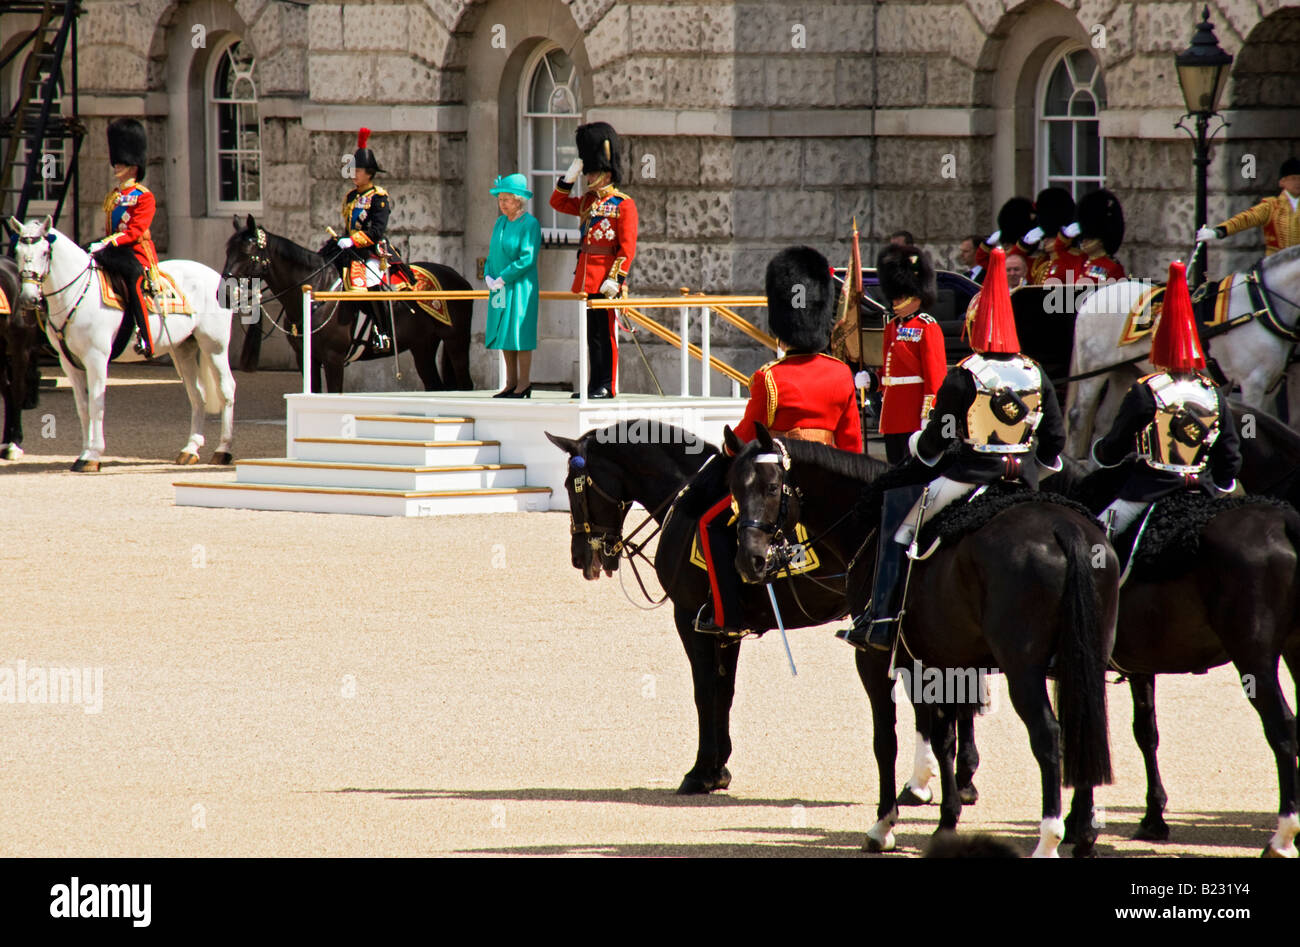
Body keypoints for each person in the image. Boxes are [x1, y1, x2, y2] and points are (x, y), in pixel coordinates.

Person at [840, 247, 1065, 651]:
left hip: (971, 477)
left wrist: (921, 448)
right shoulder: (1035, 371)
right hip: (1025, 480)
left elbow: (938, 438)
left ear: (975, 326)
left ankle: (883, 619)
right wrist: (1039, 468)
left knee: (901, 526)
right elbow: (1055, 442)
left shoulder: (967, 374)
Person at [694, 245, 862, 635]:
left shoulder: (769, 377)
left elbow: (746, 437)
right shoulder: (841, 374)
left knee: (708, 524)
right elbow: (852, 444)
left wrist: (727, 449)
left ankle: (727, 616)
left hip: (780, 479)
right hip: (829, 478)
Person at [1091, 259, 1241, 539]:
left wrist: (1103, 453)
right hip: (1203, 490)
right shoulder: (1213, 391)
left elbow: (1115, 447)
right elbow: (1230, 455)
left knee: (1095, 540)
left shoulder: (1146, 389)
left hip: (1149, 488)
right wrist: (1219, 485)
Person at [550, 122, 638, 399]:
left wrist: (616, 279)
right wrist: (569, 175)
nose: (588, 177)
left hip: (606, 281)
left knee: (606, 337)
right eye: (587, 172)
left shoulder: (623, 204)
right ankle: (593, 384)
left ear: (606, 172)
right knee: (591, 337)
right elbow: (557, 202)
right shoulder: (588, 202)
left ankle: (607, 384)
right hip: (586, 278)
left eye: (591, 172)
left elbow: (627, 248)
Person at [86, 118, 159, 357]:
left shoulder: (144, 196)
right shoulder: (114, 195)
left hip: (135, 252)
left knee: (134, 278)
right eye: (116, 161)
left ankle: (145, 336)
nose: (116, 165)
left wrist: (109, 242)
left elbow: (135, 231)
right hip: (114, 250)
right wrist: (101, 243)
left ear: (134, 165)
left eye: (122, 161)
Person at [874, 245, 947, 464]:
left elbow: (935, 377)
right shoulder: (892, 327)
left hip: (914, 413)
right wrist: (872, 380)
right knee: (894, 465)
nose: (895, 302)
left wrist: (929, 415)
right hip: (891, 413)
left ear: (916, 296)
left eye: (901, 297)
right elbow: (887, 370)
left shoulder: (927, 326)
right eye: (894, 297)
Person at [335, 127, 401, 354]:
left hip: (371, 251)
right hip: (349, 249)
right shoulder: (350, 196)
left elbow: (377, 231)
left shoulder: (379, 197)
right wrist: (342, 241)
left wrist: (354, 241)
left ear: (370, 173)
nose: (354, 174)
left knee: (371, 284)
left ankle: (383, 332)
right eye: (353, 169)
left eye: (359, 170)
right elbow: (348, 225)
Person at [484, 173, 542, 398]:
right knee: (504, 333)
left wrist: (504, 277)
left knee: (519, 333)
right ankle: (510, 382)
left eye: (506, 199)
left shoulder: (530, 224)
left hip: (520, 287)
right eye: (500, 199)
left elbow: (527, 258)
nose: (502, 203)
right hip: (499, 287)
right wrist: (489, 276)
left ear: (518, 200)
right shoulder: (499, 222)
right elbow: (492, 253)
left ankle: (524, 383)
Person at [1198, 157, 1300, 256]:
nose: (1297, 183)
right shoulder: (1271, 206)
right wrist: (1219, 231)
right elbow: (1246, 219)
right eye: (1293, 179)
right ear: (1282, 182)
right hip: (1276, 262)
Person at [1077, 187, 1126, 282]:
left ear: (1101, 241)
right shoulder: (1081, 262)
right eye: (1084, 238)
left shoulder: (1112, 267)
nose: (1084, 241)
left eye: (1090, 238)